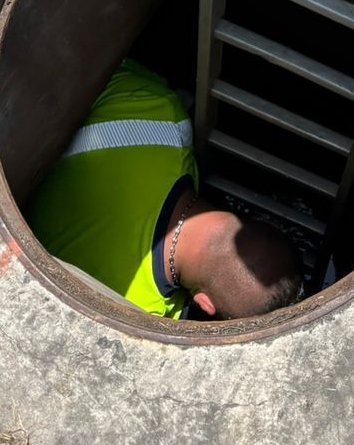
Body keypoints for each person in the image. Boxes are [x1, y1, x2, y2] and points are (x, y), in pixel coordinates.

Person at [27, 60, 305, 320]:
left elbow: (76, 66)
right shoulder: (138, 317)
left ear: (261, 221)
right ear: (205, 304)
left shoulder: (161, 116)